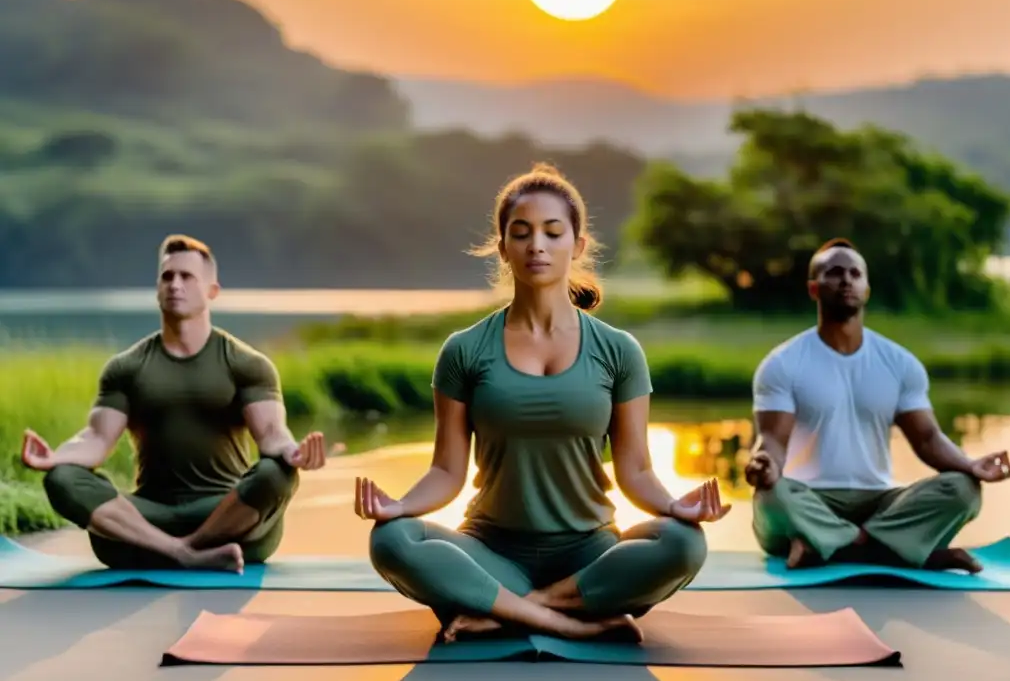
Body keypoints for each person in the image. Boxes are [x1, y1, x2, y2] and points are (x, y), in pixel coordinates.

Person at [353, 163, 729, 645]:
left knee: (682, 542)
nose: (538, 246)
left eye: (553, 233)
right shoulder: (463, 350)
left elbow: (635, 471)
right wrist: (398, 505)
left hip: (588, 557)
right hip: (490, 551)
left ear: (578, 245)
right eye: (522, 233)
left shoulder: (619, 352)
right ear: (503, 248)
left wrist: (678, 505)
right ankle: (567, 622)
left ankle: (508, 612)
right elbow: (447, 471)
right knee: (390, 539)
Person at [20, 234, 328, 573]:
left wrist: (292, 452)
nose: (175, 285)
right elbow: (96, 439)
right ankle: (186, 554)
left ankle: (177, 550)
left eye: (186, 277)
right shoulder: (126, 367)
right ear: (157, 287)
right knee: (61, 478)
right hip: (152, 514)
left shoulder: (247, 363)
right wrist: (54, 457)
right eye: (167, 276)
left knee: (278, 472)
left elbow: (271, 432)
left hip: (227, 514)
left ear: (212, 291)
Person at [745, 238, 1010, 573]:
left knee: (964, 489)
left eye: (855, 273)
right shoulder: (783, 364)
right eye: (835, 273)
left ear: (866, 289)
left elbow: (928, 438)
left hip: (880, 504)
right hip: (809, 499)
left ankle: (833, 546)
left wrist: (970, 465)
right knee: (772, 497)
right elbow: (772, 439)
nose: (846, 280)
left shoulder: (899, 363)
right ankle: (910, 553)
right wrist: (765, 463)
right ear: (814, 289)